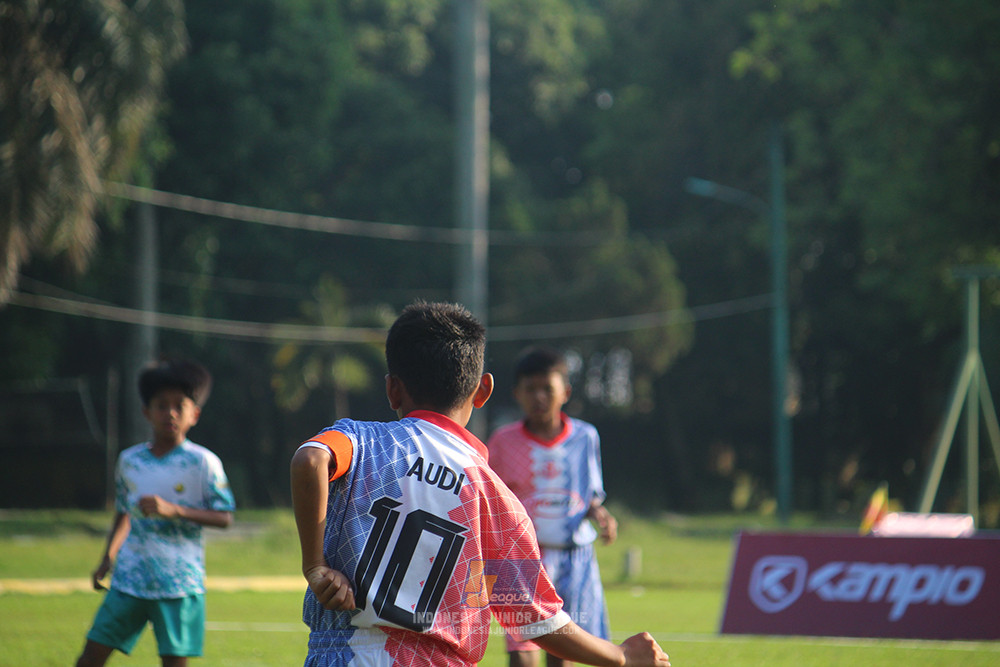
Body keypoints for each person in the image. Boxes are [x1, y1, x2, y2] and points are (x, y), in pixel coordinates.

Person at [290, 301, 669, 667]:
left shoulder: (360, 441)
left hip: (341, 653)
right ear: (483, 390)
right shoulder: (495, 495)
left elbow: (310, 459)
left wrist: (316, 567)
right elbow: (534, 617)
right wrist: (619, 655)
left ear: (392, 389)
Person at [76, 359, 236, 667]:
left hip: (179, 584)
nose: (171, 413)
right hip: (129, 580)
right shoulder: (129, 461)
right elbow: (125, 512)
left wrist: (174, 510)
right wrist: (108, 556)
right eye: (162, 405)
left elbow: (225, 516)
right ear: (146, 412)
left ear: (195, 414)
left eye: (180, 405)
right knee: (89, 658)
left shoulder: (204, 463)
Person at [487, 346, 618, 667]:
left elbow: (589, 497)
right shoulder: (503, 441)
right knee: (523, 653)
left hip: (575, 560)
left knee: (564, 651)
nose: (539, 397)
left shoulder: (585, 437)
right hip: (524, 562)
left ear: (565, 392)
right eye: (530, 389)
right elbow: (490, 499)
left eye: (547, 388)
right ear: (517, 393)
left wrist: (600, 514)